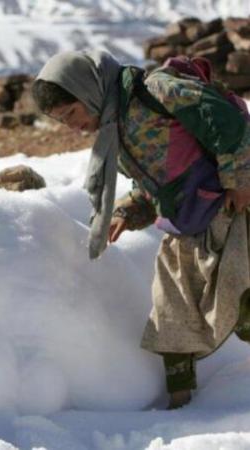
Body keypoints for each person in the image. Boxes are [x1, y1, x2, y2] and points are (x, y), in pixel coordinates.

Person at [31, 50, 250, 409]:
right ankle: (181, 410)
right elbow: (156, 180)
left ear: (87, 91)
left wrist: (240, 180)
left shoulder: (158, 89)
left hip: (227, 213)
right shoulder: (115, 127)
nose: (73, 126)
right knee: (171, 322)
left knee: (241, 305)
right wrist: (129, 211)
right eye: (62, 121)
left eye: (71, 113)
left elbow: (225, 120)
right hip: (184, 229)